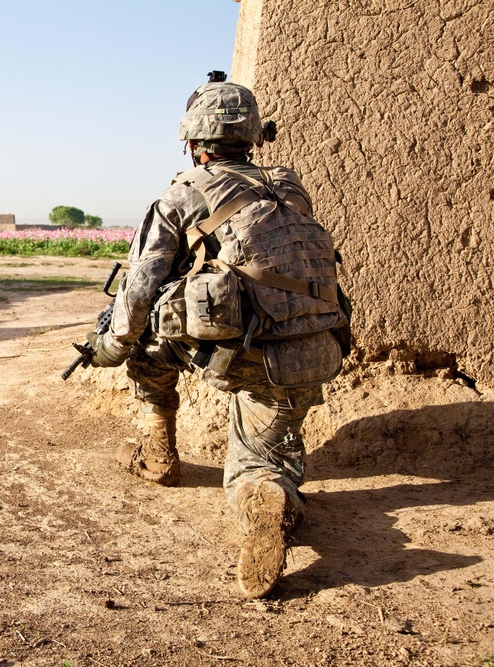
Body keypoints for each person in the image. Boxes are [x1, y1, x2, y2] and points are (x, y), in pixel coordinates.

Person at [84, 72, 348, 598]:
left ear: (193, 142)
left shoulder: (181, 196)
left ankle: (160, 454)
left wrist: (109, 348)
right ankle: (269, 488)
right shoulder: (289, 186)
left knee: (147, 339)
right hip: (317, 346)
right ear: (252, 136)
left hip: (244, 353)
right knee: (264, 459)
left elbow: (137, 294)